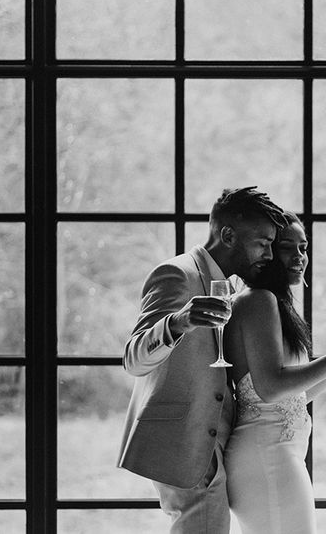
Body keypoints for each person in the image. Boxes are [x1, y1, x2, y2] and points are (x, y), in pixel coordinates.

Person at [117, 186, 287, 534]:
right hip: (185, 443)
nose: (269, 254)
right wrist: (177, 322)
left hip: (211, 447)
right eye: (262, 242)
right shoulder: (177, 274)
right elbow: (133, 359)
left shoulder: (230, 286)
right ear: (227, 235)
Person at [223, 212, 326, 534]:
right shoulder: (258, 300)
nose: (300, 257)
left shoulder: (273, 302)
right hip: (267, 456)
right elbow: (271, 387)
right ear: (266, 250)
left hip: (276, 454)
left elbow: (295, 397)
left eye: (303, 248)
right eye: (289, 247)